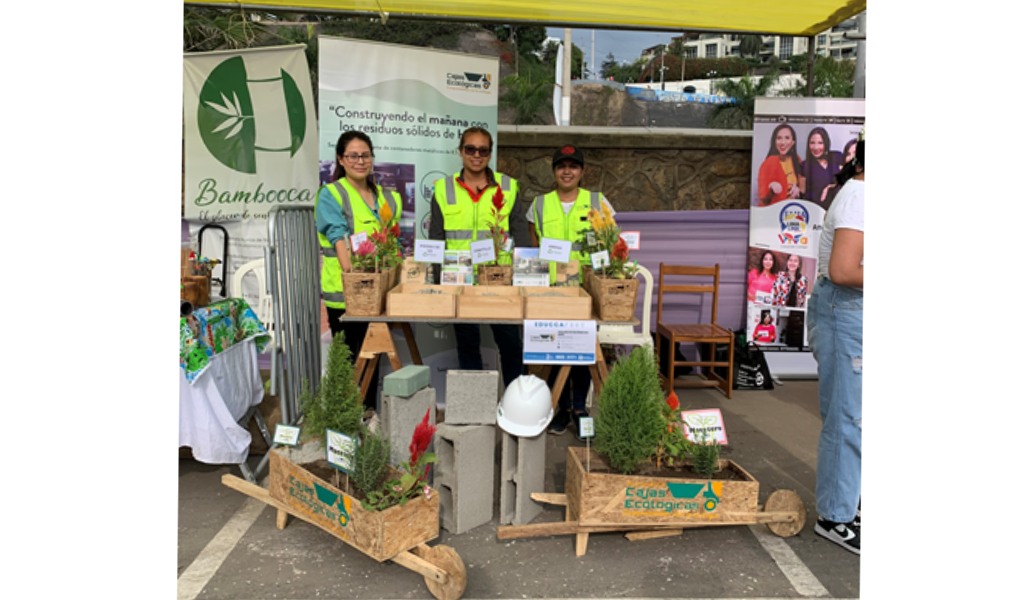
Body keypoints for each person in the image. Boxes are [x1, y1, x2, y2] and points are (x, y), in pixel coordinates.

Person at [429, 127, 529, 389]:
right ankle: (476, 406)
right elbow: (436, 237)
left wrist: (525, 276)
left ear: (490, 153)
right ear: (461, 152)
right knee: (467, 342)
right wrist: (440, 281)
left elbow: (521, 233)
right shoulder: (443, 188)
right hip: (459, 278)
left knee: (510, 342)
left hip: (500, 278)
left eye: (483, 150)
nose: (476, 155)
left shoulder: (508, 186)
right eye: (470, 149)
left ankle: (514, 400)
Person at [526, 144, 615, 438]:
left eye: (573, 166)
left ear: (582, 171)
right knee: (553, 349)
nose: (567, 171)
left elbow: (610, 240)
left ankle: (579, 408)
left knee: (582, 349)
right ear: (554, 171)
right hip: (551, 291)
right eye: (562, 166)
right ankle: (561, 409)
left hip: (585, 290)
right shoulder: (539, 205)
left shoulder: (597, 202)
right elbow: (534, 242)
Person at [314, 130, 402, 411]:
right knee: (350, 360)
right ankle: (346, 421)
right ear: (341, 159)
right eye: (353, 155)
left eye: (365, 155)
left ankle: (367, 416)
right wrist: (355, 277)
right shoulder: (332, 194)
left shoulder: (386, 197)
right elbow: (339, 238)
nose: (360, 161)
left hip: (377, 295)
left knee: (374, 354)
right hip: (346, 295)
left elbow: (390, 243)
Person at [807, 138, 864, 555]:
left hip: (852, 312)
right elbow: (843, 270)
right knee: (846, 419)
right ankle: (835, 516)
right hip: (845, 312)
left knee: (853, 416)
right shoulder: (861, 197)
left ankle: (845, 502)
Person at [757, 123, 802, 206]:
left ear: (793, 142)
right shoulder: (768, 163)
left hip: (792, 211)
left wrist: (798, 189)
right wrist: (770, 188)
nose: (783, 142)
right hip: (773, 211)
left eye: (787, 138)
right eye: (779, 138)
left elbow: (805, 189)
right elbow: (763, 198)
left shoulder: (797, 160)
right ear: (774, 141)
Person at [799, 127, 845, 207]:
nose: (816, 147)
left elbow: (846, 180)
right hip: (816, 211)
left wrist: (830, 187)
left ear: (826, 143)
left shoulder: (837, 157)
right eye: (812, 143)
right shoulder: (804, 166)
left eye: (820, 143)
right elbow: (802, 194)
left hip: (837, 208)